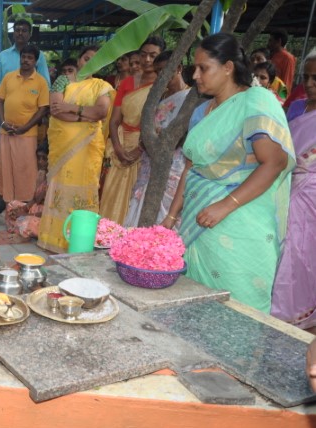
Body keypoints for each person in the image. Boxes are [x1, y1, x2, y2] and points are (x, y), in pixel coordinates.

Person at [163, 33, 294, 313]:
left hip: (239, 222)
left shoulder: (256, 102)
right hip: (199, 220)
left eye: (203, 68)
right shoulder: (202, 111)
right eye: (194, 68)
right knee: (194, 305)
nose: (195, 75)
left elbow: (274, 162)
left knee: (236, 311)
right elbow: (191, 168)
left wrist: (225, 205)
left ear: (228, 67)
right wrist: (171, 217)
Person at [37, 45, 114, 253]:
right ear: (79, 60)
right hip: (63, 146)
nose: (89, 63)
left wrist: (72, 108)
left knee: (84, 186)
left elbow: (100, 112)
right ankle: (55, 239)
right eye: (86, 58)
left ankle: (80, 239)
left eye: (95, 60)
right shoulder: (62, 81)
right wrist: (83, 117)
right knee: (61, 187)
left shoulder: (102, 86)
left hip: (88, 147)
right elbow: (56, 110)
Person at [271, 49, 316, 329]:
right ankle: (279, 307)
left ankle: (298, 310)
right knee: (282, 245)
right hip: (286, 185)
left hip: (310, 195)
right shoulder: (298, 107)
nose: (309, 84)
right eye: (306, 77)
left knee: (302, 251)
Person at [100, 36, 165, 225]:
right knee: (111, 196)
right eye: (143, 55)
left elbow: (161, 124)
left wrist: (139, 150)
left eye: (153, 55)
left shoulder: (164, 85)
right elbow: (114, 121)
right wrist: (119, 149)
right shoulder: (127, 83)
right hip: (121, 147)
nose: (147, 60)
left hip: (146, 150)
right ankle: (108, 235)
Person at [123, 50, 191, 227]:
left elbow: (186, 133)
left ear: (178, 68)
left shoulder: (190, 98)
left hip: (173, 160)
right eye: (158, 71)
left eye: (164, 70)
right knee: (141, 201)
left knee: (166, 205)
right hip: (149, 157)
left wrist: (163, 136)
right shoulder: (159, 95)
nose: (161, 75)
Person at [0, 44, 49, 203]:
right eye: (23, 56)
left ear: (36, 61)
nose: (25, 60)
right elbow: (0, 101)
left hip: (27, 134)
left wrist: (25, 127)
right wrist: (3, 123)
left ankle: (25, 202)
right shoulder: (8, 77)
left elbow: (43, 109)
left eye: (30, 58)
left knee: (25, 169)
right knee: (5, 167)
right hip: (6, 131)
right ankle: (6, 200)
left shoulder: (41, 82)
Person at [0, 19, 51, 104]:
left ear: (30, 35)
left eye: (24, 31)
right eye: (17, 30)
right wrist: (0, 103)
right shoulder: (3, 56)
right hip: (5, 108)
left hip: (31, 108)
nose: (20, 33)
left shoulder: (39, 55)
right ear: (13, 34)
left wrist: (39, 106)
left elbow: (46, 84)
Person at [6, 143, 49, 239]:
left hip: (45, 215)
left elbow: (50, 211)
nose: (40, 161)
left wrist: (26, 214)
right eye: (38, 158)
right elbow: (34, 199)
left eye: (44, 158)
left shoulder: (55, 181)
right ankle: (19, 225)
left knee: (26, 223)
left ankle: (20, 226)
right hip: (35, 209)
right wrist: (22, 209)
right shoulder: (41, 174)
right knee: (11, 205)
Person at [267, 28, 296, 94]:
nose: (268, 43)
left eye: (270, 40)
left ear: (279, 41)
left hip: (278, 95)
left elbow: (287, 81)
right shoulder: (271, 55)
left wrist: (282, 97)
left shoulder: (288, 58)